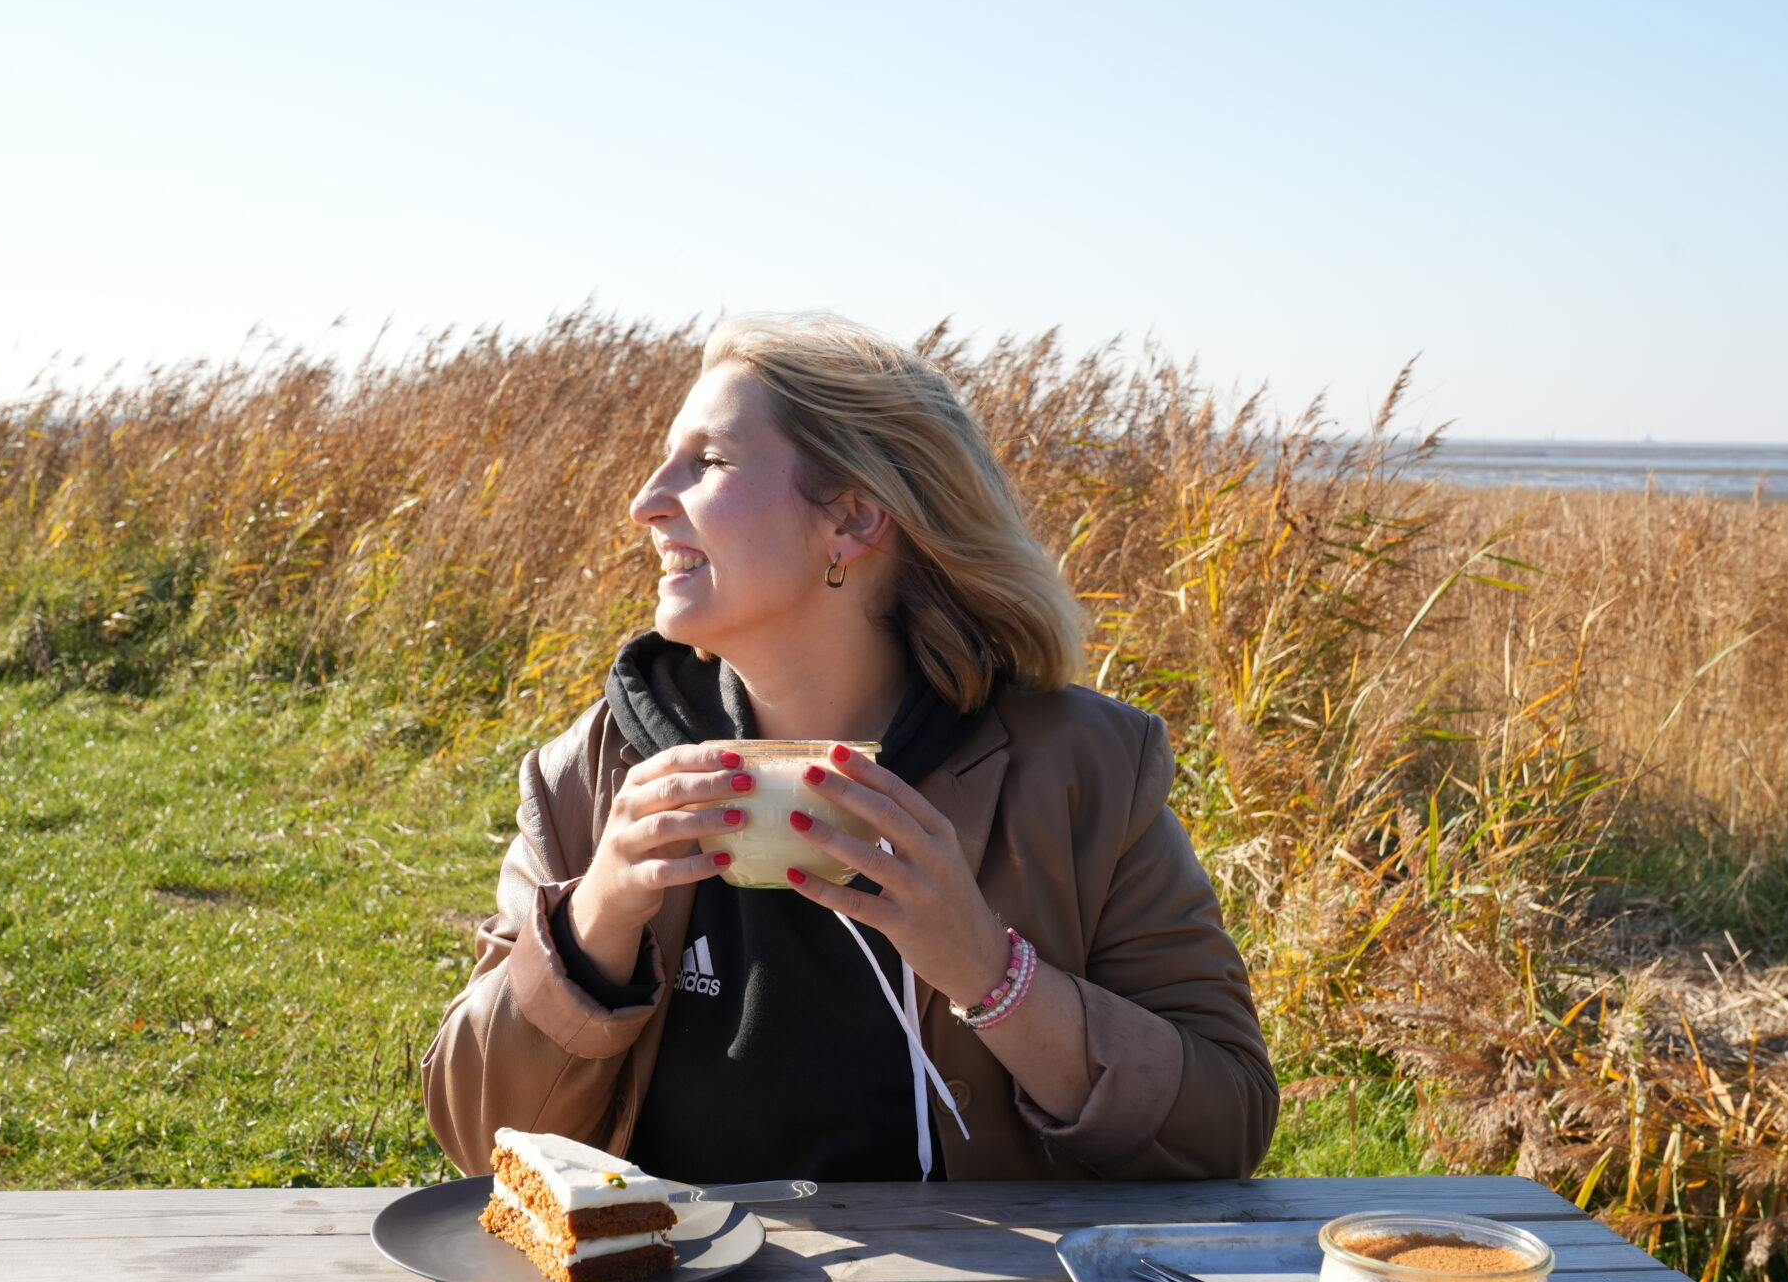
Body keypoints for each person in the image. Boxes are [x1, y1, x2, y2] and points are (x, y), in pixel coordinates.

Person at [421, 313, 1276, 1182]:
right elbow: (478, 1140)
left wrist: (992, 973)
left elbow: (1224, 1125)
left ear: (856, 518)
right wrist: (593, 921)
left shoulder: (1083, 771)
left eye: (707, 462)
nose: (644, 501)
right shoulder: (592, 775)